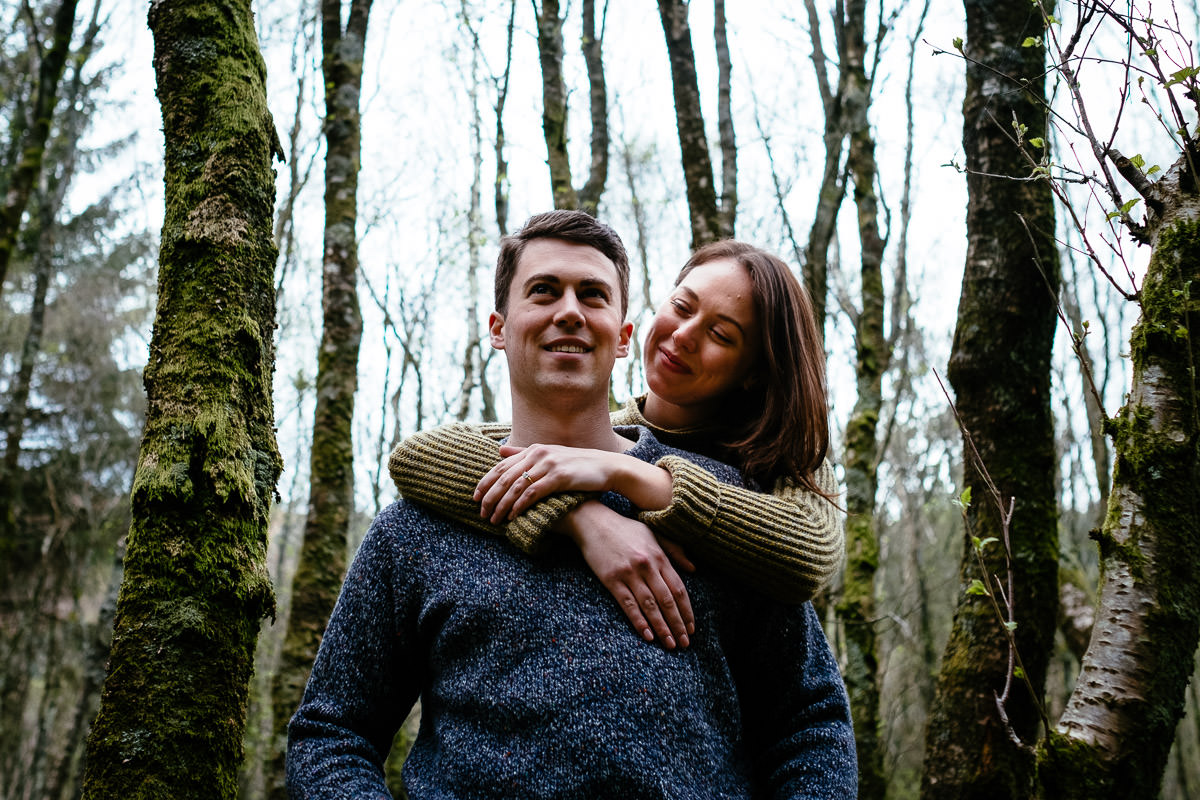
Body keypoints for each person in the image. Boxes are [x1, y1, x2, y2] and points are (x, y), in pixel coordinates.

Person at [286, 210, 856, 798]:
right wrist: (576, 513)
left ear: (624, 336)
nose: (568, 311)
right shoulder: (419, 526)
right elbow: (332, 735)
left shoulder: (732, 516)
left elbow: (807, 725)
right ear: (498, 328)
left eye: (592, 294)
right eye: (543, 291)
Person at [389, 238, 842, 648]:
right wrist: (580, 516)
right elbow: (420, 455)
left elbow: (812, 552)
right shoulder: (615, 431)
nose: (683, 336)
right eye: (682, 307)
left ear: (755, 372)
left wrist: (626, 472)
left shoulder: (775, 454)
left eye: (720, 334)